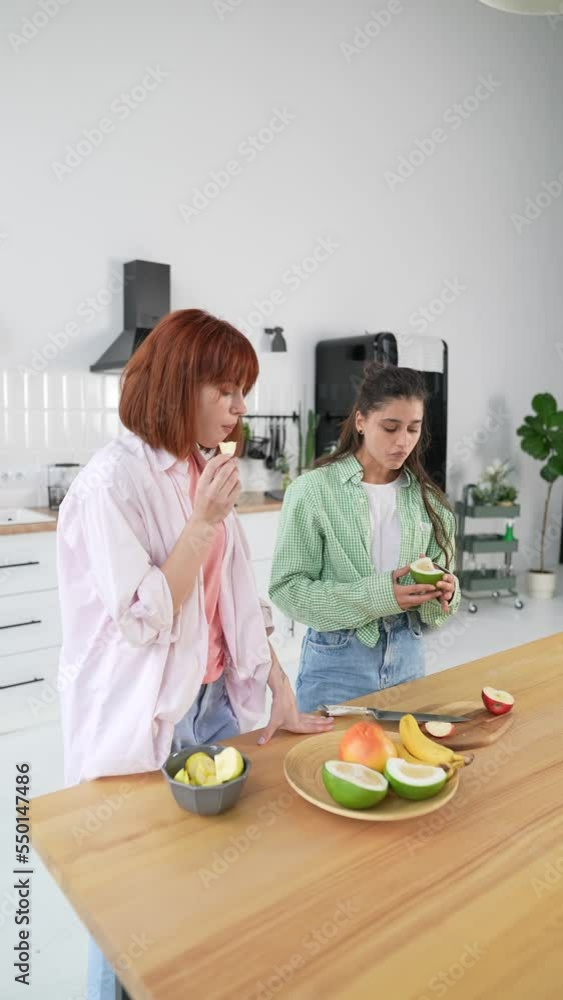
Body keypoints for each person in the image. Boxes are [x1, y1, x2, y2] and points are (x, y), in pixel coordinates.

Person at [56, 309, 334, 1000]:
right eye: (226, 389)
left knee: (201, 884)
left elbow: (234, 597)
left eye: (245, 389)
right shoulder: (108, 484)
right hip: (141, 716)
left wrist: (280, 688)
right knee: (128, 899)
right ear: (180, 386)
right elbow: (144, 620)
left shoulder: (201, 466)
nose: (242, 408)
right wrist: (203, 520)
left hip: (212, 708)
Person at [269, 362, 460, 713]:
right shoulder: (312, 491)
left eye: (413, 429)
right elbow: (288, 589)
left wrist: (447, 591)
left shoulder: (430, 502)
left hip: (409, 661)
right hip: (336, 665)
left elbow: (438, 612)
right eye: (390, 427)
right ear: (361, 421)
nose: (403, 441)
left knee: (404, 763)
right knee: (326, 764)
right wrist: (381, 594)